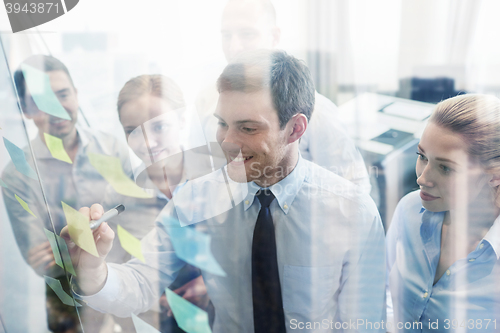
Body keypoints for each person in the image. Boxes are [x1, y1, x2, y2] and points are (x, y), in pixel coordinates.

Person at [63, 50, 385, 332]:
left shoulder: (352, 212)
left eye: (247, 128)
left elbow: (364, 322)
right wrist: (94, 271)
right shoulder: (195, 199)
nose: (227, 142)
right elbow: (142, 282)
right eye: (222, 123)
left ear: (295, 128)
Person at [1, 54, 131, 333]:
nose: (57, 109)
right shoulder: (16, 176)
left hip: (126, 284)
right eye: (40, 102)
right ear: (25, 109)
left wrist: (67, 244)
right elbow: (42, 260)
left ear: (76, 95)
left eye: (62, 95)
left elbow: (136, 223)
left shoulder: (112, 149)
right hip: (69, 303)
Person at [196, 0, 370, 191]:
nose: (234, 47)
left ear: (274, 36)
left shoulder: (316, 110)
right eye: (227, 35)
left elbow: (354, 188)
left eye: (247, 34)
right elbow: (199, 173)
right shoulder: (206, 101)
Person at [103, 74, 213, 331]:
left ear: (182, 119)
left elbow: (252, 257)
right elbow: (116, 277)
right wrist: (153, 303)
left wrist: (211, 285)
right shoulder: (119, 198)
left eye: (159, 127)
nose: (147, 143)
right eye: (132, 131)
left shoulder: (219, 177)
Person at [386, 94, 500, 332]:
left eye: (446, 168)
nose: (422, 178)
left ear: (494, 175)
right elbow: (385, 291)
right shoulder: (409, 210)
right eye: (422, 157)